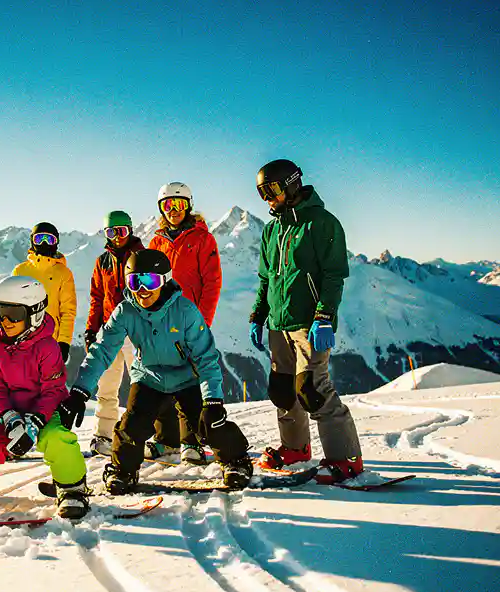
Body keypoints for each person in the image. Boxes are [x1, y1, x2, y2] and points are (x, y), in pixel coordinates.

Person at [59, 249, 252, 493]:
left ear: (165, 280)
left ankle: (236, 460)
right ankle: (123, 470)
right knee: (132, 425)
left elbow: (206, 358)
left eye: (149, 281)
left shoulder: (185, 311)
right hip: (148, 376)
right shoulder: (125, 311)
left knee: (208, 424)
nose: (142, 290)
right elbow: (102, 351)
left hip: (186, 378)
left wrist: (212, 400)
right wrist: (79, 391)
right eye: (134, 282)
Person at [248, 159, 363, 483]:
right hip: (278, 324)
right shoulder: (271, 230)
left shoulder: (322, 223)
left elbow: (334, 275)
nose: (266, 199)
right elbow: (265, 278)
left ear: (291, 184)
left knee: (312, 388)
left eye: (270, 190)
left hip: (308, 323)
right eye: (261, 193)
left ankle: (347, 459)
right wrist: (258, 316)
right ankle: (295, 448)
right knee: (283, 390)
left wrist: (324, 317)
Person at [0, 276, 89, 523]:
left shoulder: (47, 347)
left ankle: (72, 489)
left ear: (34, 313)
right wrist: (9, 417)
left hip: (45, 409)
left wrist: (34, 424)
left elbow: (54, 390)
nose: (5, 321)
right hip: (9, 411)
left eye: (14, 314)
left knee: (57, 438)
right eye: (1, 312)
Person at [146, 182, 223, 465]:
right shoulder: (156, 242)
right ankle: (166, 440)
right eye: (168, 205)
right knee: (159, 377)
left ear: (189, 206)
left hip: (189, 320)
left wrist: (202, 323)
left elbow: (212, 283)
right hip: (159, 320)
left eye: (179, 205)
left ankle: (191, 441)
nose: (174, 211)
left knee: (188, 380)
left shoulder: (203, 239)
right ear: (161, 209)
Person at [83, 210, 145, 456]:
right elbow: (97, 298)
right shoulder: (102, 261)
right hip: (110, 332)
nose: (117, 237)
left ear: (130, 230)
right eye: (111, 232)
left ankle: (142, 434)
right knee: (107, 386)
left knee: (143, 385)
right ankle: (104, 434)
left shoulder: (141, 256)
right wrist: (91, 330)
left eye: (121, 231)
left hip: (136, 332)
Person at [12, 222, 77, 364]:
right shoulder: (20, 271)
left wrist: (64, 342)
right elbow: (8, 305)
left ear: (56, 243)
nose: (44, 243)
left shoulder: (63, 273)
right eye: (39, 238)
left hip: (50, 342)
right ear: (32, 241)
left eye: (50, 239)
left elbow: (68, 311)